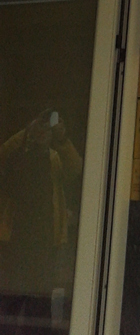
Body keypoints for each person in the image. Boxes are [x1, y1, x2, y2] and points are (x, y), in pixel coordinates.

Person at [0, 110, 83, 332]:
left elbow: (76, 168)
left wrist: (62, 138)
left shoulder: (55, 158)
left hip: (46, 239)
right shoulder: (19, 154)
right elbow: (3, 155)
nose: (43, 133)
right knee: (11, 296)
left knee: (40, 298)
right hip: (16, 237)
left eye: (48, 129)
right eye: (41, 128)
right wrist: (27, 133)